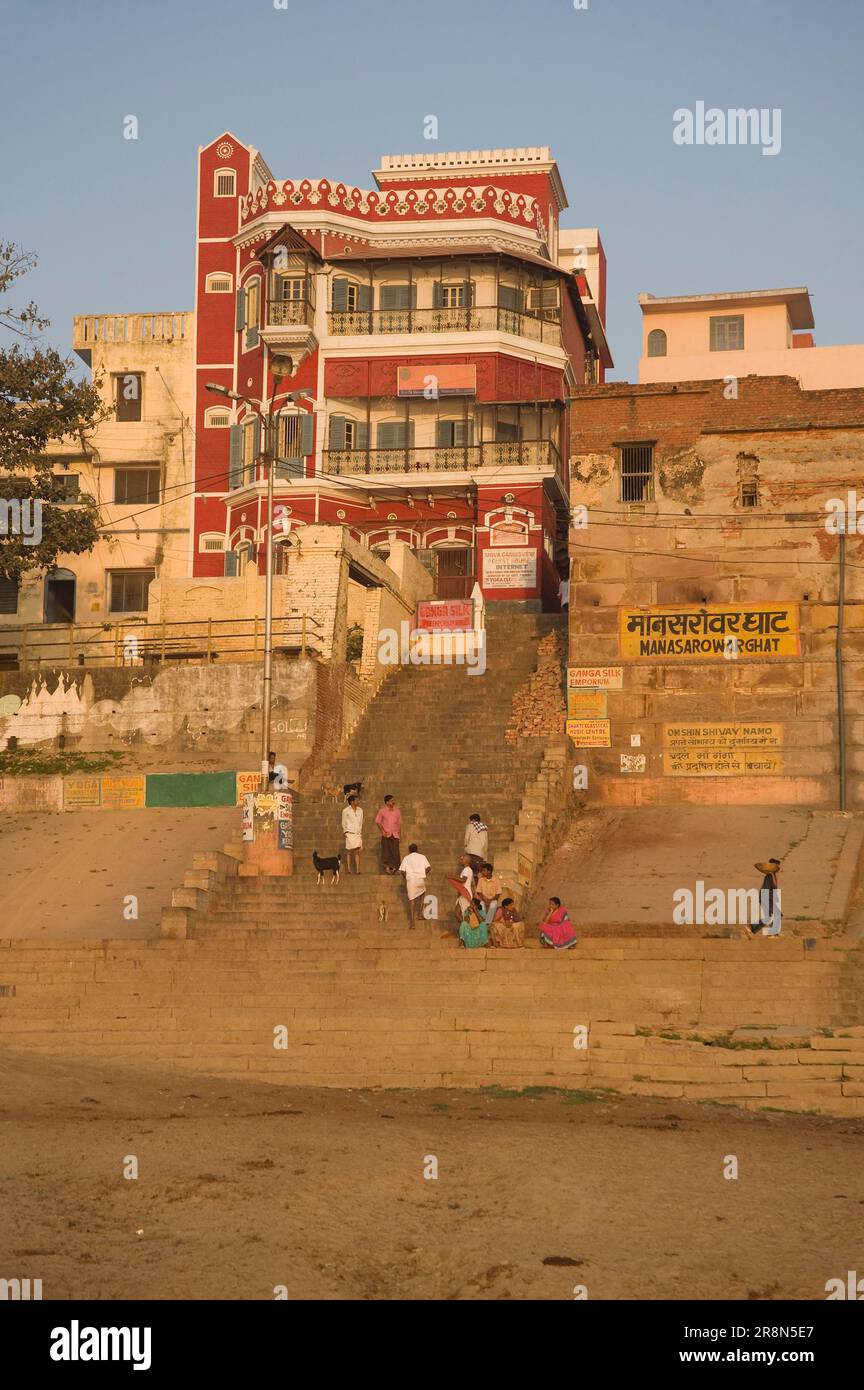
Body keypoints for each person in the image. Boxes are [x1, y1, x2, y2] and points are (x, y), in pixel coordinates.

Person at [399, 842, 431, 929]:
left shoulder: (406, 858)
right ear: (417, 850)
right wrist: (423, 874)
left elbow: (402, 870)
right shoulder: (422, 857)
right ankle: (420, 914)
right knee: (422, 893)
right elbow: (429, 868)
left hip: (411, 881)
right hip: (420, 879)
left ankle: (412, 923)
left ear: (409, 851)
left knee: (412, 901)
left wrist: (406, 877)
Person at [751, 858, 782, 936]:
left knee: (767, 918)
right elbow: (775, 886)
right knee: (778, 914)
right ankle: (773, 933)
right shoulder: (770, 875)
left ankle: (751, 928)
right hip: (766, 897)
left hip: (766, 897)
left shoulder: (771, 875)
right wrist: (773, 874)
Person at [374, 794, 402, 875]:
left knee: (395, 852)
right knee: (386, 852)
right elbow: (378, 822)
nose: (394, 802)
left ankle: (394, 868)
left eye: (394, 800)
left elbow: (399, 823)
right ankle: (387, 868)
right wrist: (382, 831)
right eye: (392, 801)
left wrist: (400, 834)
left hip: (395, 834)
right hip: (386, 834)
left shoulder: (397, 811)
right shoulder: (382, 811)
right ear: (387, 802)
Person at [341, 793, 364, 875]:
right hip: (349, 832)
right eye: (356, 800)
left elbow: (361, 822)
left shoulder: (360, 810)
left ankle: (358, 870)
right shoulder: (346, 811)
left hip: (357, 833)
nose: (358, 801)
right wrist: (345, 832)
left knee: (357, 851)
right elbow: (343, 822)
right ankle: (348, 869)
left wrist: (360, 832)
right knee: (349, 851)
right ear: (351, 801)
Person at [454, 853, 474, 921]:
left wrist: (452, 877)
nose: (461, 859)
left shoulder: (467, 869)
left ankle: (466, 929)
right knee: (457, 913)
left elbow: (463, 880)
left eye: (462, 858)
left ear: (466, 860)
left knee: (464, 915)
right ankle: (464, 929)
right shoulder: (467, 869)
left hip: (465, 893)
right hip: (463, 893)